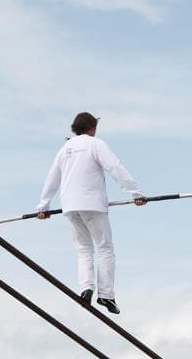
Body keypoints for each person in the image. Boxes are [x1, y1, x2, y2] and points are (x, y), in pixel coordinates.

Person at [35, 112, 146, 314]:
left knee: (84, 249)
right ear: (92, 128)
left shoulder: (64, 149)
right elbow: (115, 167)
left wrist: (43, 207)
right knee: (105, 248)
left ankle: (86, 289)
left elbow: (52, 179)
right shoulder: (95, 144)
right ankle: (106, 295)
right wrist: (136, 193)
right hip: (92, 205)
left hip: (70, 207)